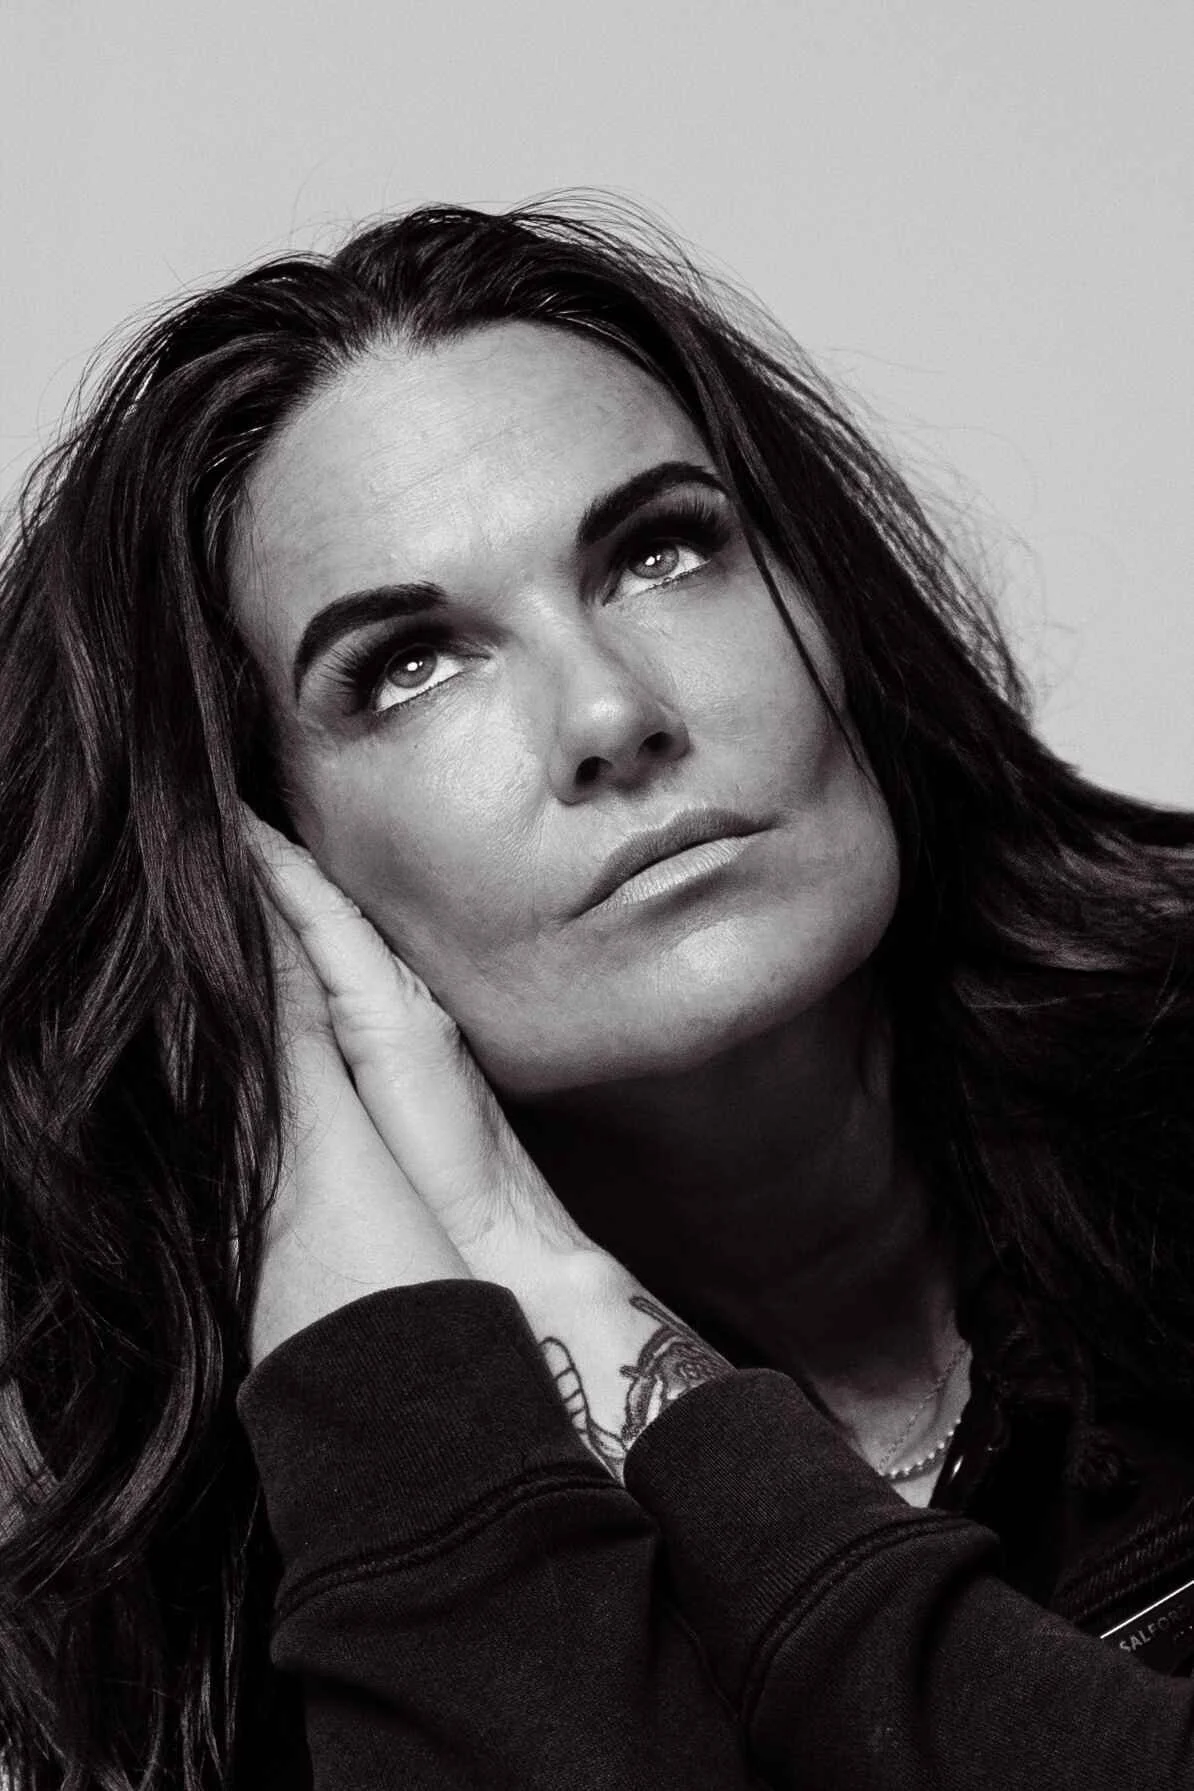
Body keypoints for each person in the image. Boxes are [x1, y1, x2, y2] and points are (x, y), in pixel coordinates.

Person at [0, 196, 1192, 1791]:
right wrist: (426, 1401)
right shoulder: (188, 1583)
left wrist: (561, 1302)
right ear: (261, 870)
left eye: (662, 550)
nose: (611, 713)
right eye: (410, 662)